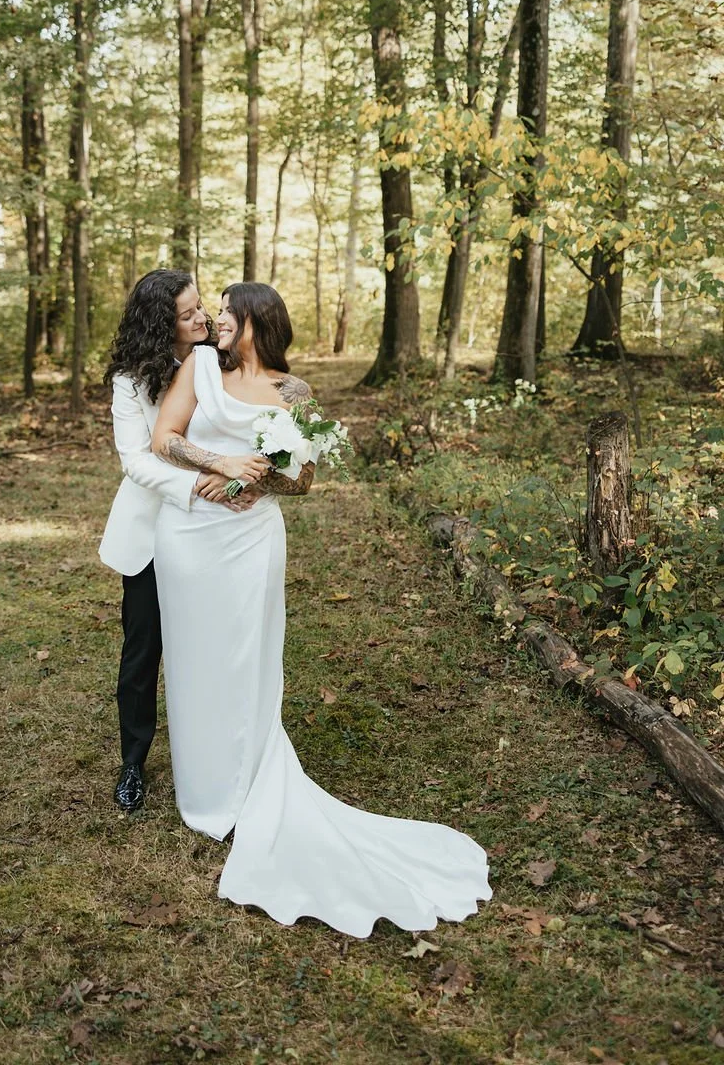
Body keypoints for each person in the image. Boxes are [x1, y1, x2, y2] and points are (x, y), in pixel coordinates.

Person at [151, 281, 492, 938]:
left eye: (228, 311)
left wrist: (258, 481)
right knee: (194, 660)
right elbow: (164, 438)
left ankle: (246, 782)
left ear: (256, 321)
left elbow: (302, 480)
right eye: (217, 311)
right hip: (189, 535)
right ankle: (203, 792)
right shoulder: (198, 367)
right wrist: (218, 463)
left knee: (247, 658)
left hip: (251, 539)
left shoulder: (294, 393)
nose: (217, 320)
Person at [99, 270, 265, 813]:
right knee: (143, 648)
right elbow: (135, 460)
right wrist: (202, 482)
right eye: (187, 313)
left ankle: (219, 752)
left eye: (201, 306)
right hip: (154, 529)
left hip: (220, 532)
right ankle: (133, 761)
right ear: (158, 323)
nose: (202, 318)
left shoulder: (221, 359)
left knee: (215, 642)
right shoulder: (130, 381)